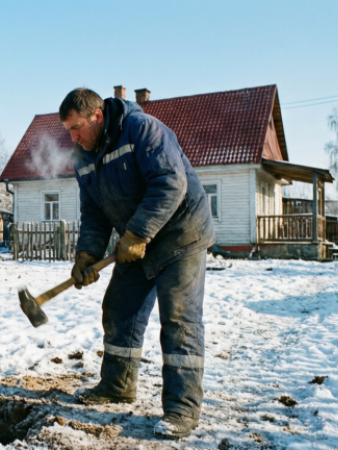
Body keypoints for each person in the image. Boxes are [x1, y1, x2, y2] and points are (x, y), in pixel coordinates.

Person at [59, 88, 214, 439]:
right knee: (118, 308)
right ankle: (117, 386)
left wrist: (138, 234)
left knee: (179, 320)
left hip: (180, 236)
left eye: (77, 127)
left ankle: (181, 409)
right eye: (68, 130)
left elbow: (169, 183)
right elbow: (94, 211)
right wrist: (87, 254)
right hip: (135, 241)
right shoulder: (83, 155)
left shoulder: (142, 129)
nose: (73, 137)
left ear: (98, 116)